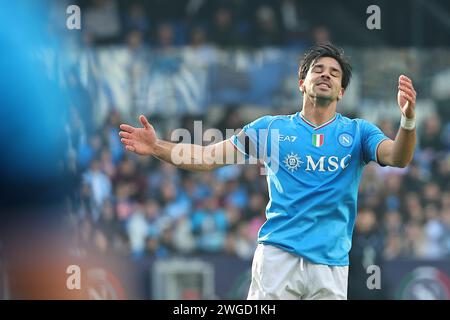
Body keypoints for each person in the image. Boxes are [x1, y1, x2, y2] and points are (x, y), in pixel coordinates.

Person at [118, 43, 417, 300]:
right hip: (278, 255)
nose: (326, 74)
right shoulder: (270, 129)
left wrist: (407, 121)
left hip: (331, 264)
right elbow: (208, 157)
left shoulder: (358, 132)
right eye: (318, 69)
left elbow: (398, 157)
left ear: (341, 91)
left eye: (334, 73)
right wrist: (157, 146)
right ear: (302, 82)